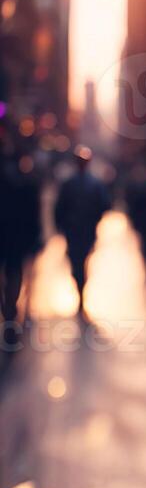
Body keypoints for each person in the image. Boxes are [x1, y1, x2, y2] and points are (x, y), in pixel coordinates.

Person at [54, 146, 111, 319]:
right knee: (78, 262)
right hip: (77, 230)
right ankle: (80, 287)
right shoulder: (73, 184)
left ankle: (81, 289)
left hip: (82, 230)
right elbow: (60, 207)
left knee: (79, 261)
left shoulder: (92, 184)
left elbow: (104, 206)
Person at [0, 133, 43, 343]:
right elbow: (34, 214)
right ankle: (9, 308)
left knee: (11, 274)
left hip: (10, 236)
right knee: (14, 273)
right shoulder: (28, 182)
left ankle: (8, 309)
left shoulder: (23, 181)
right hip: (17, 238)